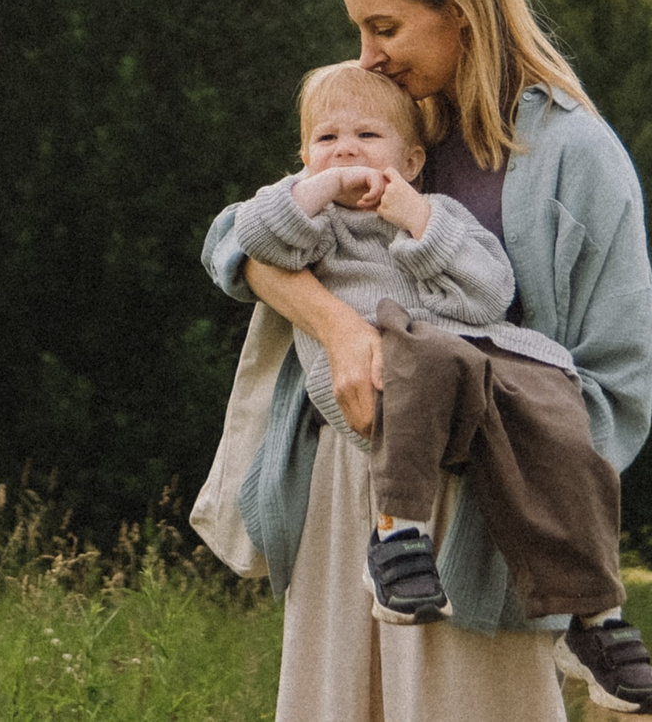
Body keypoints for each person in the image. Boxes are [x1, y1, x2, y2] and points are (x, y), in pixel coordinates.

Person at [202, 0, 652, 719]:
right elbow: (236, 244)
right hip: (348, 506)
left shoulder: (577, 158)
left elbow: (613, 399)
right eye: (359, 31)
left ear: (458, 11)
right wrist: (341, 330)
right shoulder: (384, 126)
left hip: (478, 529)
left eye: (385, 28)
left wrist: (459, 413)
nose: (369, 55)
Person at [234, 60, 628, 636]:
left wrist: (417, 221)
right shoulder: (311, 222)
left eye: (367, 137)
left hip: (456, 364)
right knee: (429, 356)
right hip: (372, 372)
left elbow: (490, 296)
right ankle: (396, 537)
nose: (346, 152)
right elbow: (254, 237)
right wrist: (314, 189)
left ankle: (595, 616)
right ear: (303, 157)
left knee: (555, 397)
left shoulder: (435, 215)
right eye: (327, 140)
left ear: (413, 162)